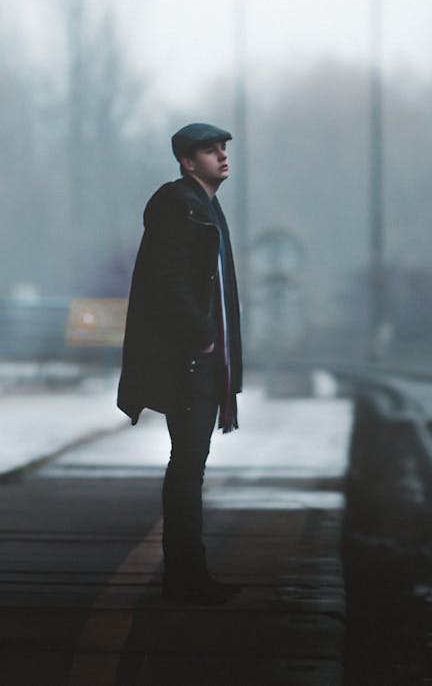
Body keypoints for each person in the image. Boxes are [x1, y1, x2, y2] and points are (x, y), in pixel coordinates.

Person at [117, 122, 243, 605]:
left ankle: (190, 575)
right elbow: (168, 280)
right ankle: (186, 579)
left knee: (191, 467)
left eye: (224, 149)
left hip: (202, 360)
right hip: (190, 361)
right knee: (187, 466)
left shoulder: (204, 206)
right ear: (188, 162)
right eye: (211, 151)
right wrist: (203, 335)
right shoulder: (179, 207)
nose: (222, 157)